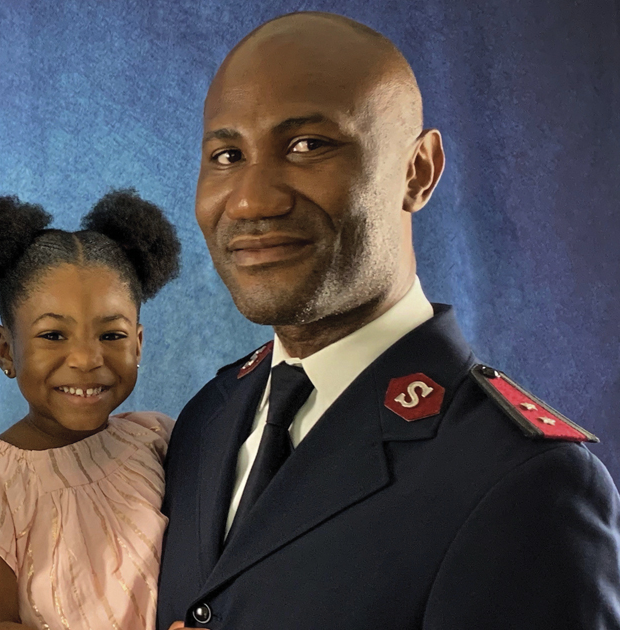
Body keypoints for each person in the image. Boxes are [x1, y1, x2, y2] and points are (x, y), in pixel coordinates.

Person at [156, 11, 620, 630]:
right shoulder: (205, 422)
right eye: (227, 153)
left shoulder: (523, 481)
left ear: (417, 171)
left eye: (307, 146)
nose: (250, 199)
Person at [0, 190, 181, 630]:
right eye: (53, 336)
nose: (87, 359)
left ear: (139, 344)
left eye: (112, 335)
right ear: (5, 351)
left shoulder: (155, 440)